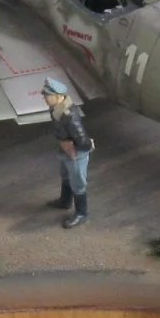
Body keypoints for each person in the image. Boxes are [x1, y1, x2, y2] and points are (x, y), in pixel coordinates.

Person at [41, 77, 93, 228]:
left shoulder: (69, 115)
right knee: (65, 175)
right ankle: (65, 201)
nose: (45, 98)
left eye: (48, 96)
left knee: (78, 183)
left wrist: (75, 151)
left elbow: (82, 139)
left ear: (59, 96)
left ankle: (81, 213)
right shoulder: (56, 109)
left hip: (75, 153)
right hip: (65, 149)